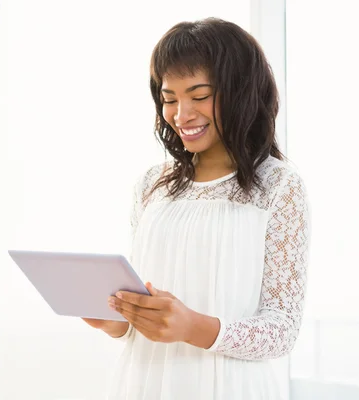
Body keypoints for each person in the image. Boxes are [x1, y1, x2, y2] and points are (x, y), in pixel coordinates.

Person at [83, 17, 311, 399]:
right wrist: (117, 321)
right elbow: (146, 315)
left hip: (229, 389)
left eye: (199, 95)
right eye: (169, 98)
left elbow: (281, 331)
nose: (181, 115)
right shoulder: (151, 185)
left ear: (239, 92)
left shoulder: (278, 186)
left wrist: (193, 327)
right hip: (145, 384)